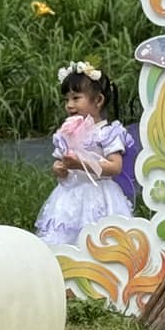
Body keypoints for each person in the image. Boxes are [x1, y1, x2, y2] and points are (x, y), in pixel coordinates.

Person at [34, 62, 140, 246]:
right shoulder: (67, 134)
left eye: (76, 98)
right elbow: (61, 163)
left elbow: (115, 166)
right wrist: (60, 168)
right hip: (70, 196)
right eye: (67, 100)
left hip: (99, 194)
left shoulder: (106, 133)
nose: (69, 105)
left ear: (98, 101)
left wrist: (81, 164)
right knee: (65, 237)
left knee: (101, 239)